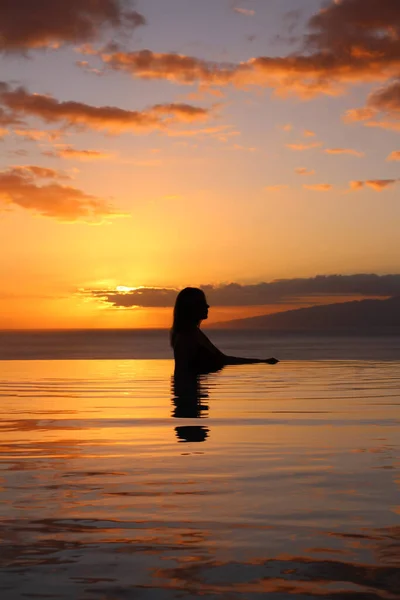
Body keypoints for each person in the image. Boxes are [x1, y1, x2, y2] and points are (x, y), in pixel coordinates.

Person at [170, 287, 279, 375]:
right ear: (191, 307)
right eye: (202, 303)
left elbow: (223, 359)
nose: (208, 306)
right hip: (188, 399)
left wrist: (261, 361)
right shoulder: (186, 337)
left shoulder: (195, 333)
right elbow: (181, 373)